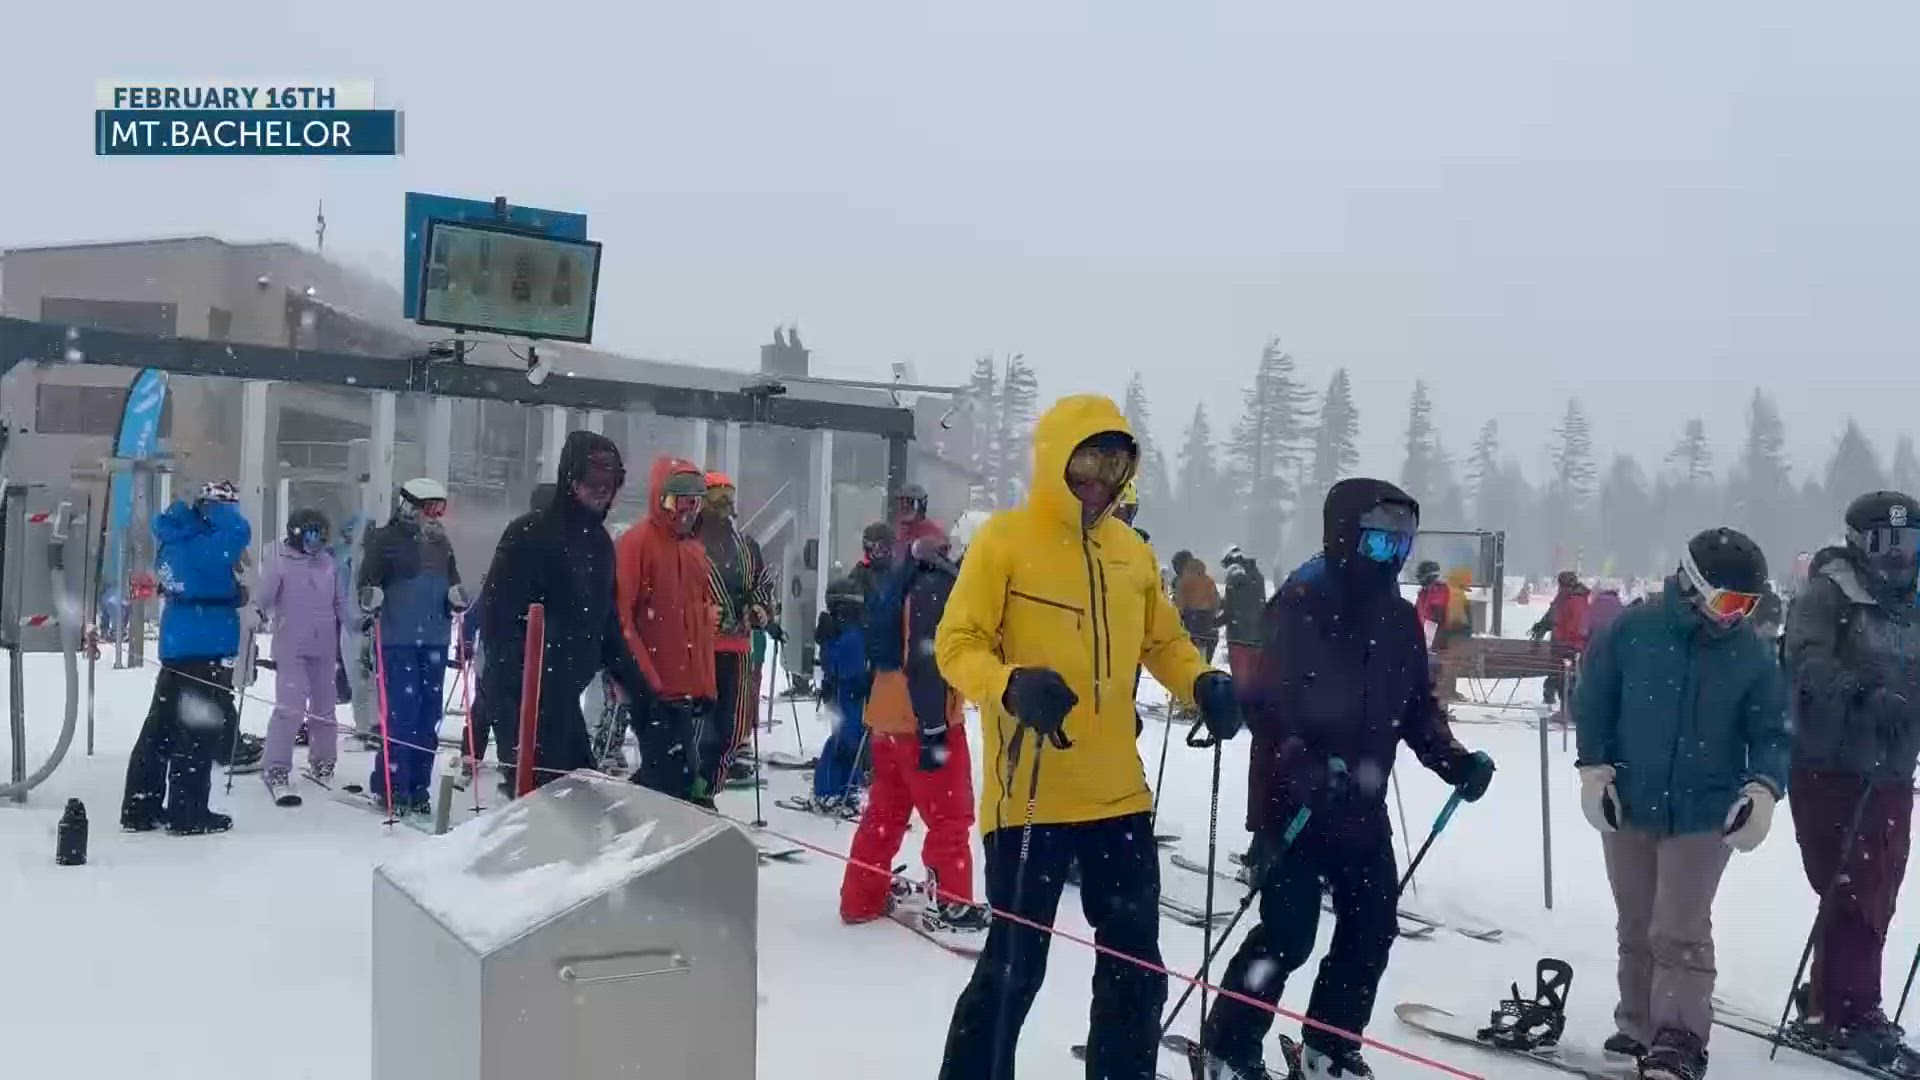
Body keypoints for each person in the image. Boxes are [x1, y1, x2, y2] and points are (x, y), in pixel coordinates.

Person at [935, 393, 1240, 1080]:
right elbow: (957, 644)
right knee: (1014, 968)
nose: (1099, 477)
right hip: (1030, 796)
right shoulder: (1007, 541)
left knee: (1136, 968)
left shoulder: (1132, 553)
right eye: (1086, 460)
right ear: (1054, 460)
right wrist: (1010, 683)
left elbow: (1164, 643)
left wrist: (1202, 683)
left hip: (1117, 797)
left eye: (1114, 464)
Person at [1199, 478, 1495, 1079]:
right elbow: (1266, 705)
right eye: (1380, 543)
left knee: (1371, 926)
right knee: (1289, 933)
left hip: (1360, 803)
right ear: (1344, 536)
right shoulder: (1301, 602)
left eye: (1402, 545)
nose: (1391, 557)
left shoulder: (1399, 619)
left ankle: (1330, 1045)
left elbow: (1415, 708)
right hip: (1294, 802)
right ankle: (1228, 1046)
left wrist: (1453, 760)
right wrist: (1304, 764)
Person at [1575, 528, 1788, 1080]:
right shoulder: (1633, 631)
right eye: (1729, 602)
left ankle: (1681, 1037)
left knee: (1680, 928)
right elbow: (1594, 702)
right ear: (1693, 585)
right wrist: (1594, 771)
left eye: (1748, 606)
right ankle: (1639, 1023)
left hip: (1704, 812)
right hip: (1630, 801)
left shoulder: (1751, 655)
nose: (1737, 616)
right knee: (1636, 922)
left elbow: (1772, 731)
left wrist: (1762, 788)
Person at [1783, 491, 1920, 1075]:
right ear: (1859, 544)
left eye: (1911, 544)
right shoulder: (1828, 595)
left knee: (1878, 887)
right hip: (1830, 765)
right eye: (1887, 543)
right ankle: (1850, 1011)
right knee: (1852, 885)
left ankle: (1831, 1000)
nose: (1900, 557)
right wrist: (1862, 694)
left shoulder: (1914, 605)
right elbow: (1805, 663)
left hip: (1892, 771)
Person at [478, 433, 653, 795]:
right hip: (522, 697)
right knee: (545, 799)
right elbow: (498, 621)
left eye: (610, 482)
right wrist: (526, 683)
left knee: (580, 794)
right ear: (571, 480)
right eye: (592, 480)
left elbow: (606, 625)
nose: (601, 491)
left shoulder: (599, 544)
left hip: (563, 697)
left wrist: (639, 687)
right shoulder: (529, 534)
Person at [843, 528, 984, 930]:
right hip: (923, 719)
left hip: (887, 717)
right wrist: (934, 727)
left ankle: (861, 898)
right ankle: (952, 906)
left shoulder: (901, 583)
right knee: (950, 818)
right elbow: (926, 660)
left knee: (884, 815)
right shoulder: (937, 587)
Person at [120, 481, 251, 835]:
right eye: (229, 505)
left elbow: (197, 582)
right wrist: (222, 509)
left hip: (178, 645)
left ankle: (140, 807)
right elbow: (238, 534)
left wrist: (230, 592)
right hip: (205, 647)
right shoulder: (208, 542)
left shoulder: (175, 539)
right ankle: (188, 813)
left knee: (159, 731)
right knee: (197, 733)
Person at [358, 477, 466, 815]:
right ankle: (392, 785)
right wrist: (370, 596)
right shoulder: (386, 540)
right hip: (398, 639)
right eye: (430, 508)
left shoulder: (442, 543)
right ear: (409, 507)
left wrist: (455, 596)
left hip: (434, 638)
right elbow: (366, 583)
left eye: (441, 510)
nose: (435, 517)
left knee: (428, 716)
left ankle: (418, 787)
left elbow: (453, 581)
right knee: (402, 714)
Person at [615, 455, 716, 804]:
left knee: (678, 775)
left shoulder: (692, 551)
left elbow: (699, 624)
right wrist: (646, 684)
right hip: (652, 689)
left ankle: (645, 812)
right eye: (677, 502)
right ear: (660, 499)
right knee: (673, 779)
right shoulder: (637, 544)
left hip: (683, 691)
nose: (685, 512)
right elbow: (622, 620)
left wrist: (704, 685)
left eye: (693, 503)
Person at [696, 471, 778, 797]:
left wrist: (760, 607)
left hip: (738, 647)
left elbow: (762, 584)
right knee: (700, 726)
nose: (724, 504)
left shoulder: (746, 545)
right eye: (716, 496)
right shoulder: (687, 543)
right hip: (697, 648)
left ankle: (710, 788)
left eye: (728, 496)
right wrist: (700, 611)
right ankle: (693, 787)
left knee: (731, 725)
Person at [256, 508, 346, 802]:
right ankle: (276, 767)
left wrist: (361, 621)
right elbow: (264, 597)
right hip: (292, 644)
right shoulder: (280, 559)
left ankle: (323, 762)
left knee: (325, 707)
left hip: (324, 645)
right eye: (310, 537)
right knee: (291, 707)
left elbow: (341, 601)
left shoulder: (327, 562)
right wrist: (257, 611)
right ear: (296, 534)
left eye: (320, 538)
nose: (314, 544)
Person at [802, 575, 870, 817]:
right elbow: (839, 663)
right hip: (847, 692)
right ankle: (828, 790)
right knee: (845, 741)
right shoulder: (841, 631)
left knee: (855, 740)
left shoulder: (852, 628)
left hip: (853, 691)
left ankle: (850, 788)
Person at [1531, 570, 1591, 713]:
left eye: (1563, 585)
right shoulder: (1568, 598)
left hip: (1568, 645)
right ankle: (1558, 701)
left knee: (1565, 677)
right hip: (1565, 645)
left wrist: (1545, 631)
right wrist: (1541, 628)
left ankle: (1565, 707)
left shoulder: (1574, 600)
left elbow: (1566, 622)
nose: (1561, 588)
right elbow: (1552, 616)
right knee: (1561, 675)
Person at [1221, 547, 1268, 685]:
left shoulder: (1233, 578)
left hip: (1237, 639)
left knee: (1240, 682)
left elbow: (1230, 610)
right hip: (1257, 638)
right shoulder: (1258, 576)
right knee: (1255, 680)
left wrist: (1211, 623)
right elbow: (1259, 605)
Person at [1175, 550, 1223, 662]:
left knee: (1190, 665)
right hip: (1208, 629)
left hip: (1190, 629)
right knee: (1204, 665)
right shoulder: (1208, 580)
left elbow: (1179, 608)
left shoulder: (1183, 582)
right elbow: (1216, 602)